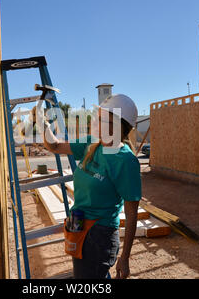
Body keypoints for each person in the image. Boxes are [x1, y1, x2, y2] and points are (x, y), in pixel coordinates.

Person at [42, 94, 141, 279]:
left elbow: (132, 212)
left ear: (119, 126)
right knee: (85, 275)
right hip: (77, 222)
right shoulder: (92, 143)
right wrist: (43, 125)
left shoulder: (125, 161)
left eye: (103, 119)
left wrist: (125, 257)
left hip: (99, 234)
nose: (96, 121)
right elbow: (55, 146)